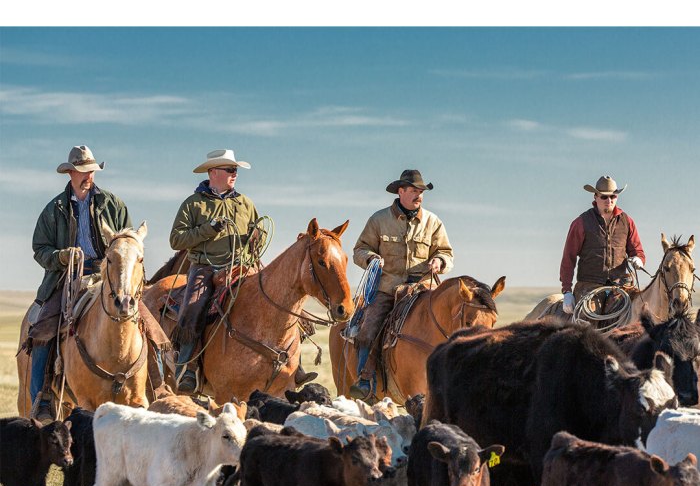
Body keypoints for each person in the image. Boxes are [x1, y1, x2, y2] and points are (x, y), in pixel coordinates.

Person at [168, 149, 317, 394]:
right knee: (194, 307)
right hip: (206, 267)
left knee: (281, 300)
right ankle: (188, 368)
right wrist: (208, 229)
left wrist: (258, 236)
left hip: (242, 266)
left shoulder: (245, 203)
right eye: (229, 169)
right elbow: (177, 239)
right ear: (213, 172)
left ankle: (294, 365)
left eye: (235, 170)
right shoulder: (193, 204)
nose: (234, 173)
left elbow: (259, 230)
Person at [28, 146, 132, 423]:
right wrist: (61, 256)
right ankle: (42, 399)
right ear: (71, 172)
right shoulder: (54, 209)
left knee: (148, 322)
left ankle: (158, 387)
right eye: (83, 172)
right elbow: (39, 248)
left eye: (92, 171)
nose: (89, 176)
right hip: (66, 275)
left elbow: (128, 239)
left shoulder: (113, 204)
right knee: (42, 331)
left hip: (108, 273)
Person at [351, 169, 454, 399]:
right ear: (401, 191)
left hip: (423, 290)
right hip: (388, 289)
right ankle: (365, 380)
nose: (419, 195)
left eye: (421, 192)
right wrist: (370, 258)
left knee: (451, 327)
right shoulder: (379, 220)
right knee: (368, 329)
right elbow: (359, 250)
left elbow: (446, 252)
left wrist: (439, 260)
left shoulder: (433, 222)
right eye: (414, 191)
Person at [560, 175, 646, 315]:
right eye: (604, 197)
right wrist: (567, 291)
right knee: (588, 321)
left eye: (613, 196)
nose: (609, 200)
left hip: (621, 286)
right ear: (595, 197)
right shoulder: (581, 222)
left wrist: (639, 260)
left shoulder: (627, 222)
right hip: (589, 286)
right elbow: (568, 258)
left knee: (639, 316)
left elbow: (638, 251)